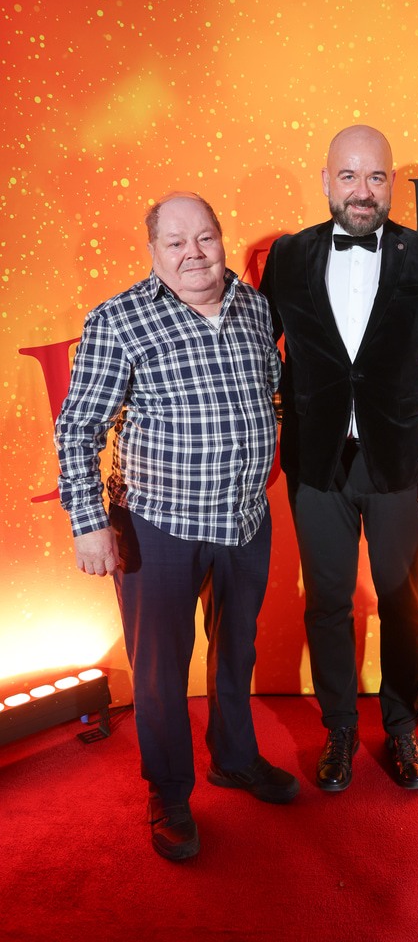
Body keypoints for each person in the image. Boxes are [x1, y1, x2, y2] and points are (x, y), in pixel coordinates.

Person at [55, 192, 299, 862]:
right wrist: (88, 525)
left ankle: (234, 760)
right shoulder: (118, 318)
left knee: (236, 651)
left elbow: (269, 394)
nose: (194, 254)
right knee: (161, 669)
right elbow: (78, 430)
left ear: (221, 238)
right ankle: (167, 791)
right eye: (176, 242)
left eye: (205, 239)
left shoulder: (254, 307)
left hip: (244, 517)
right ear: (153, 251)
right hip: (156, 523)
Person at [260, 125, 418, 792]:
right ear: (326, 180)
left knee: (402, 604)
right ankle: (339, 728)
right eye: (348, 176)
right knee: (326, 602)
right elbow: (258, 352)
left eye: (375, 177)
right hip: (316, 463)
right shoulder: (287, 256)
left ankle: (402, 726)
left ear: (391, 184)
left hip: (401, 463)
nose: (362, 190)